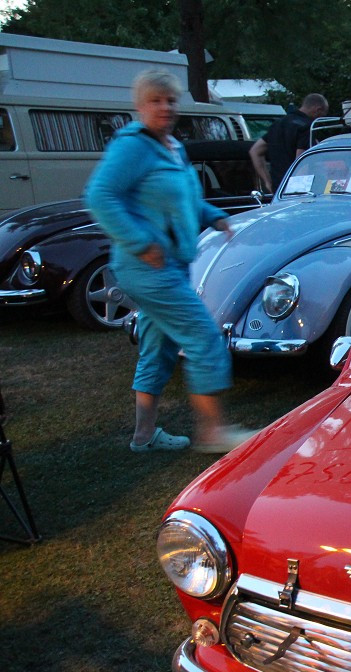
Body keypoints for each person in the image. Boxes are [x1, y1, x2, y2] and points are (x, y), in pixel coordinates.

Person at [85, 70, 254, 454]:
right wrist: (141, 242)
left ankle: (144, 436)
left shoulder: (171, 147)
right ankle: (213, 432)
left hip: (170, 265)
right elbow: (100, 196)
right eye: (156, 100)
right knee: (203, 337)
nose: (165, 107)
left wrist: (213, 214)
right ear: (139, 106)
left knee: (158, 347)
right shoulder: (132, 147)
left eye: (171, 100)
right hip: (146, 267)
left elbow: (182, 200)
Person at [249, 93, 329, 192]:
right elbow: (301, 162)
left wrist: (267, 181)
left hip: (278, 188)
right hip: (296, 190)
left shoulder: (277, 124)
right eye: (323, 115)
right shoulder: (306, 128)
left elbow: (255, 151)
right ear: (317, 110)